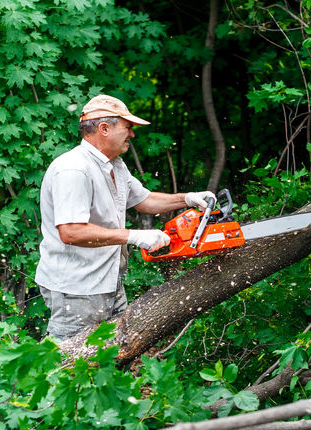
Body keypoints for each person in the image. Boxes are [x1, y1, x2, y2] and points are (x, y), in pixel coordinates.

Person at [35, 94, 215, 340]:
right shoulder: (74, 169)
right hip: (76, 288)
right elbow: (71, 231)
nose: (132, 134)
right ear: (104, 128)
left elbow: (144, 200)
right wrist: (134, 236)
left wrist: (188, 199)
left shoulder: (115, 164)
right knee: (69, 363)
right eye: (128, 128)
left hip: (108, 280)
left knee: (111, 355)